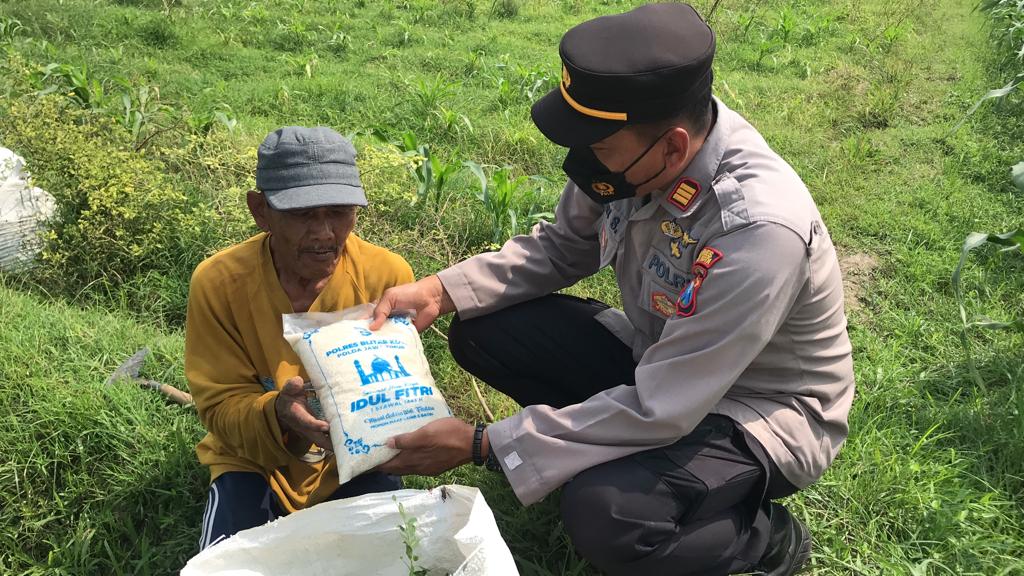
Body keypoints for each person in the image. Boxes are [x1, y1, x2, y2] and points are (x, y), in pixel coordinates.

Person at [370, 4, 855, 575]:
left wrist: (485, 443)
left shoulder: (756, 228)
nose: (583, 161)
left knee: (606, 514)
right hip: (662, 361)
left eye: (599, 147)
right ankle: (596, 454)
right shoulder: (637, 155)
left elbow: (663, 405)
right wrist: (439, 291)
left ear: (673, 147)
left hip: (758, 411)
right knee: (481, 326)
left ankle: (765, 539)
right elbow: (562, 246)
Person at [185, 126, 414, 550]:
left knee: (388, 557)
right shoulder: (219, 283)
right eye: (303, 214)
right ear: (260, 210)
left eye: (339, 211)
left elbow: (398, 392)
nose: (325, 233)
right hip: (253, 458)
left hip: (355, 458)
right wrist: (278, 414)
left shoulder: (387, 277)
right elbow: (219, 408)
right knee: (231, 562)